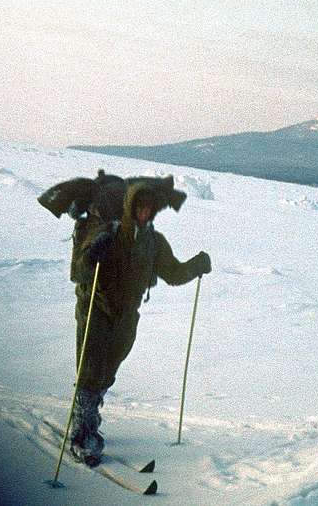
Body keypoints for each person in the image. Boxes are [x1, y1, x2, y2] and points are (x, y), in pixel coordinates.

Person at [67, 180, 211, 465]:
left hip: (126, 317)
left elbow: (173, 273)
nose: (144, 212)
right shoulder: (105, 233)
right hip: (95, 309)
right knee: (90, 370)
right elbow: (78, 272)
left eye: (149, 207)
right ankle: (81, 435)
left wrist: (197, 265)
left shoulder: (153, 242)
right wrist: (92, 253)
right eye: (140, 206)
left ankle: (90, 414)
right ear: (130, 206)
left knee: (107, 371)